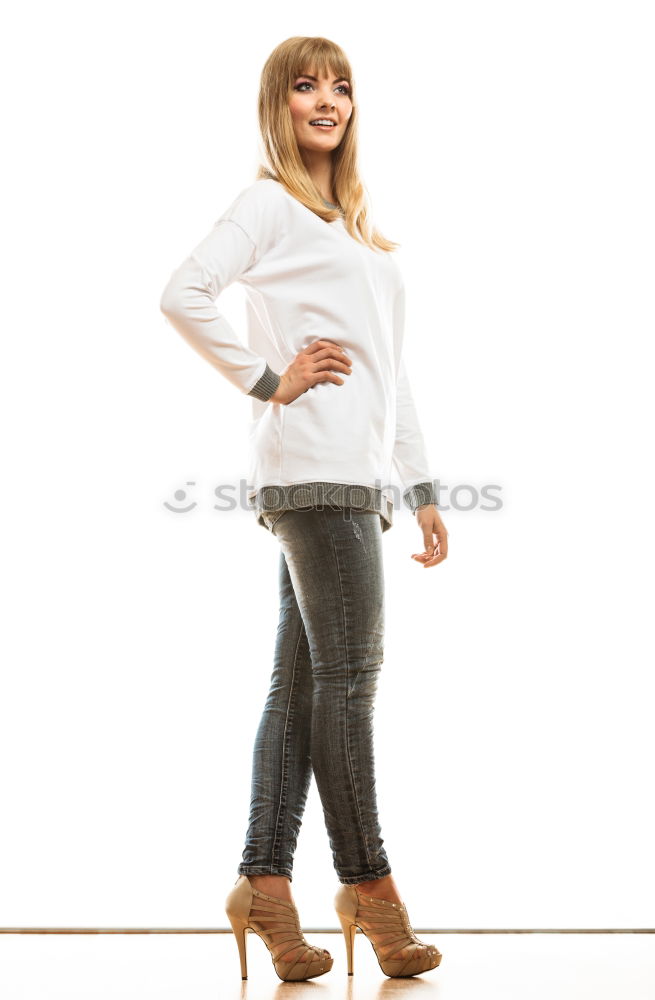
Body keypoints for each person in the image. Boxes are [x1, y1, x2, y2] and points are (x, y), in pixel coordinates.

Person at [160, 35, 448, 983]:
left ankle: (265, 886)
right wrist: (264, 379)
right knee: (351, 684)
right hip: (311, 473)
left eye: (341, 86)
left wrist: (420, 485)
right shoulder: (266, 204)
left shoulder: (355, 231)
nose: (326, 100)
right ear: (277, 104)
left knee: (300, 690)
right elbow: (183, 292)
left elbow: (391, 370)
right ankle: (370, 888)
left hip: (358, 484)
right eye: (304, 86)